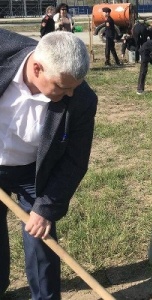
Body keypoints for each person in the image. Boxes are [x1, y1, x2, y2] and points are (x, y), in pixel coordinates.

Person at [0, 29, 98, 299]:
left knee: (41, 238)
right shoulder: (3, 51)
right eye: (62, 87)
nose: (68, 94)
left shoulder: (81, 99)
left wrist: (45, 208)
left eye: (73, 88)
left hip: (34, 171)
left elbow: (75, 161)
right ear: (36, 68)